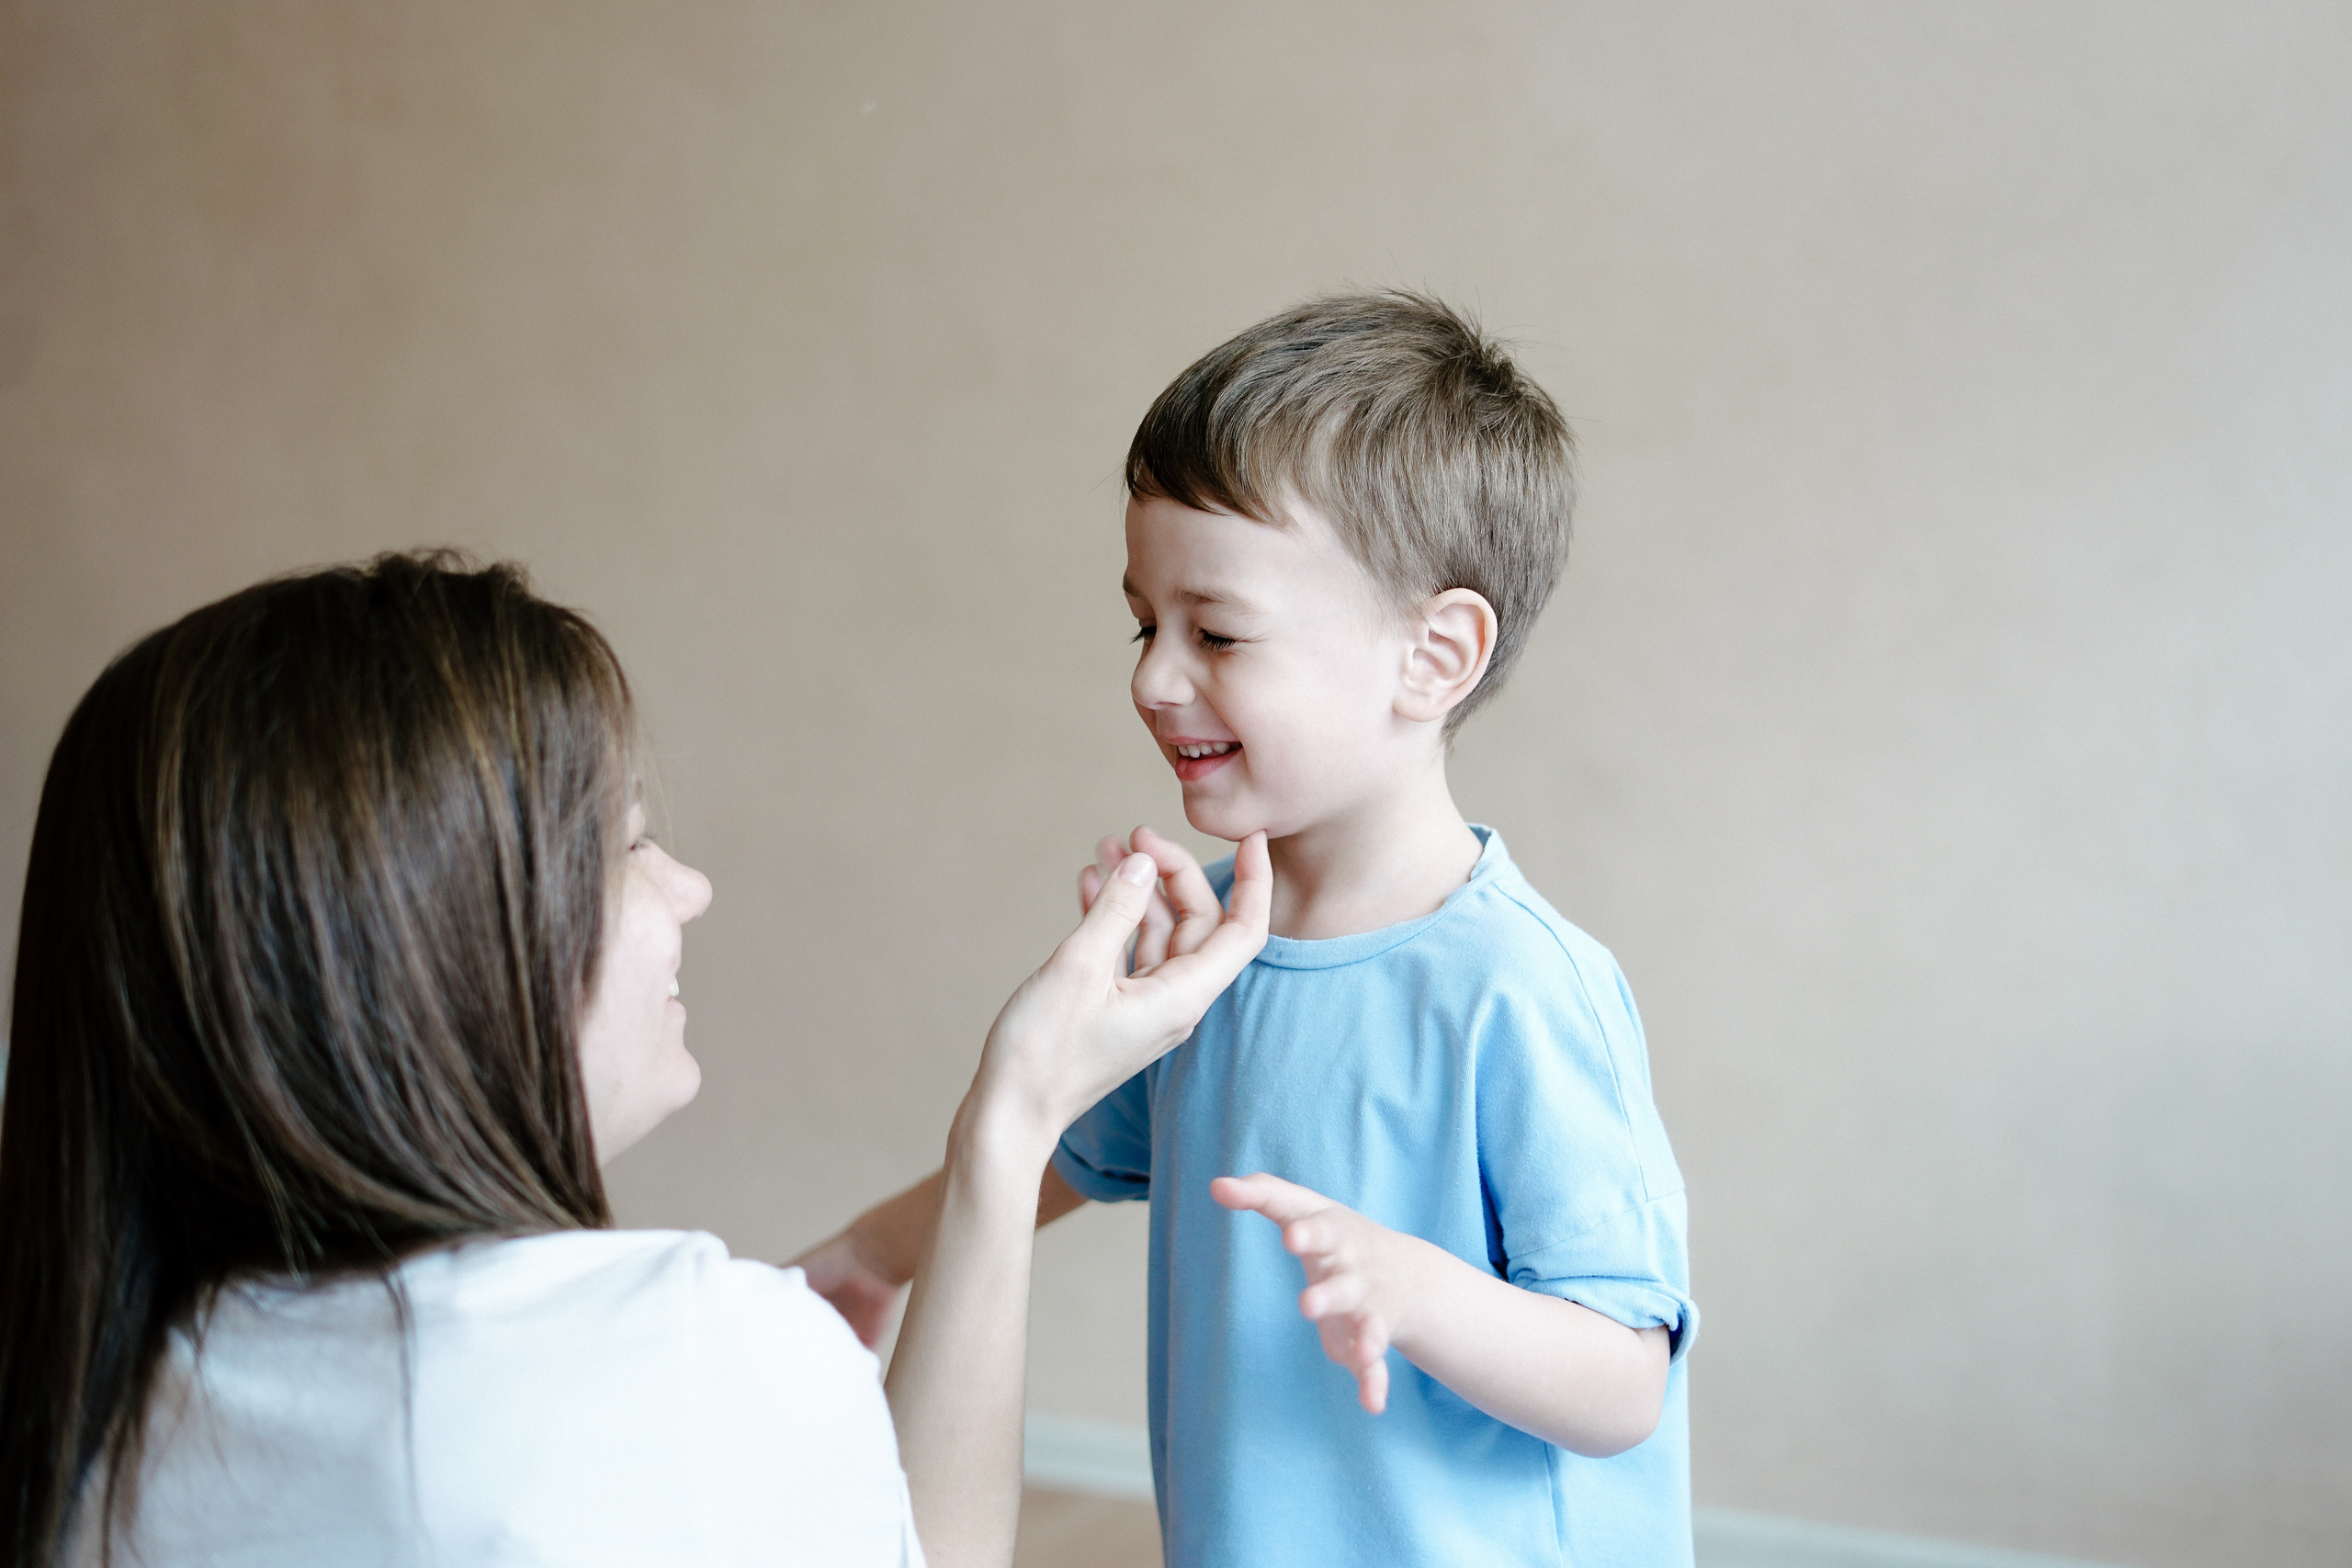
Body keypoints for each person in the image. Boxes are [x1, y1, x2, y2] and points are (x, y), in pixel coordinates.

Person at [0, 551, 1270, 1568]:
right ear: (440, 945)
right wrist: (1011, 1122)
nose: (690, 888)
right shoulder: (665, 1363)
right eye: (629, 846)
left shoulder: (106, 1391)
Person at [796, 293, 1698, 1566]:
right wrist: (867, 1254)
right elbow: (1059, 1152)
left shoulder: (1519, 987)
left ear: (1434, 657)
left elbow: (1624, 1387)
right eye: (1143, 623)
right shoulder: (1210, 946)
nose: (1154, 679)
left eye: (1216, 632)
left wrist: (1422, 1295)